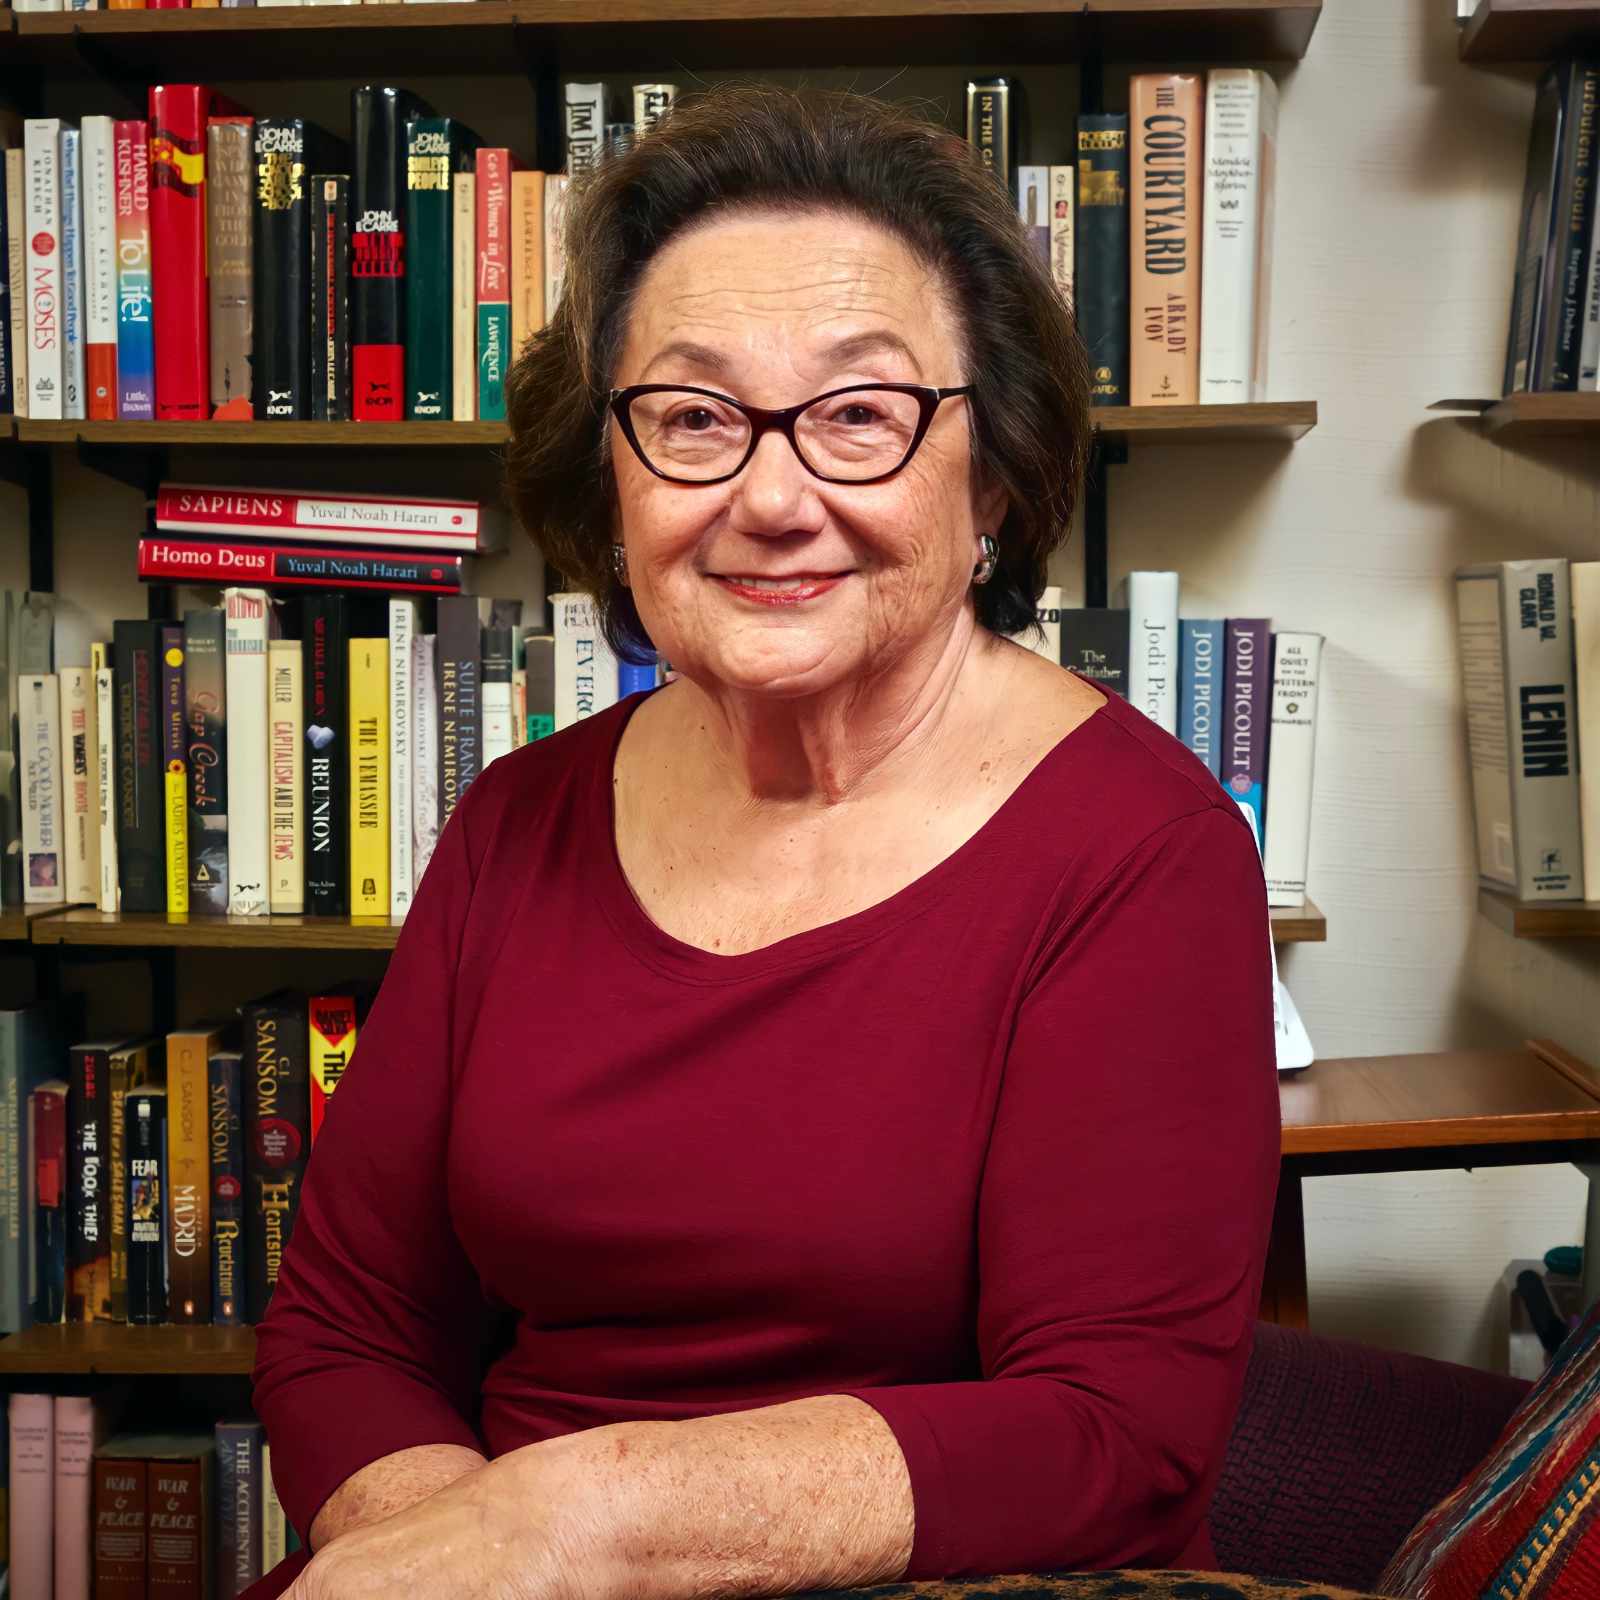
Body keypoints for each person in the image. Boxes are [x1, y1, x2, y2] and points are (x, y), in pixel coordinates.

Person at [249, 84, 1280, 1600]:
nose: (774, 496)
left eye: (861, 414)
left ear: (988, 473)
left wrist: (574, 1528)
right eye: (693, 418)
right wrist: (450, 1555)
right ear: (612, 480)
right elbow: (349, 1332)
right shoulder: (517, 819)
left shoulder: (1143, 848)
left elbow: (1113, 1439)